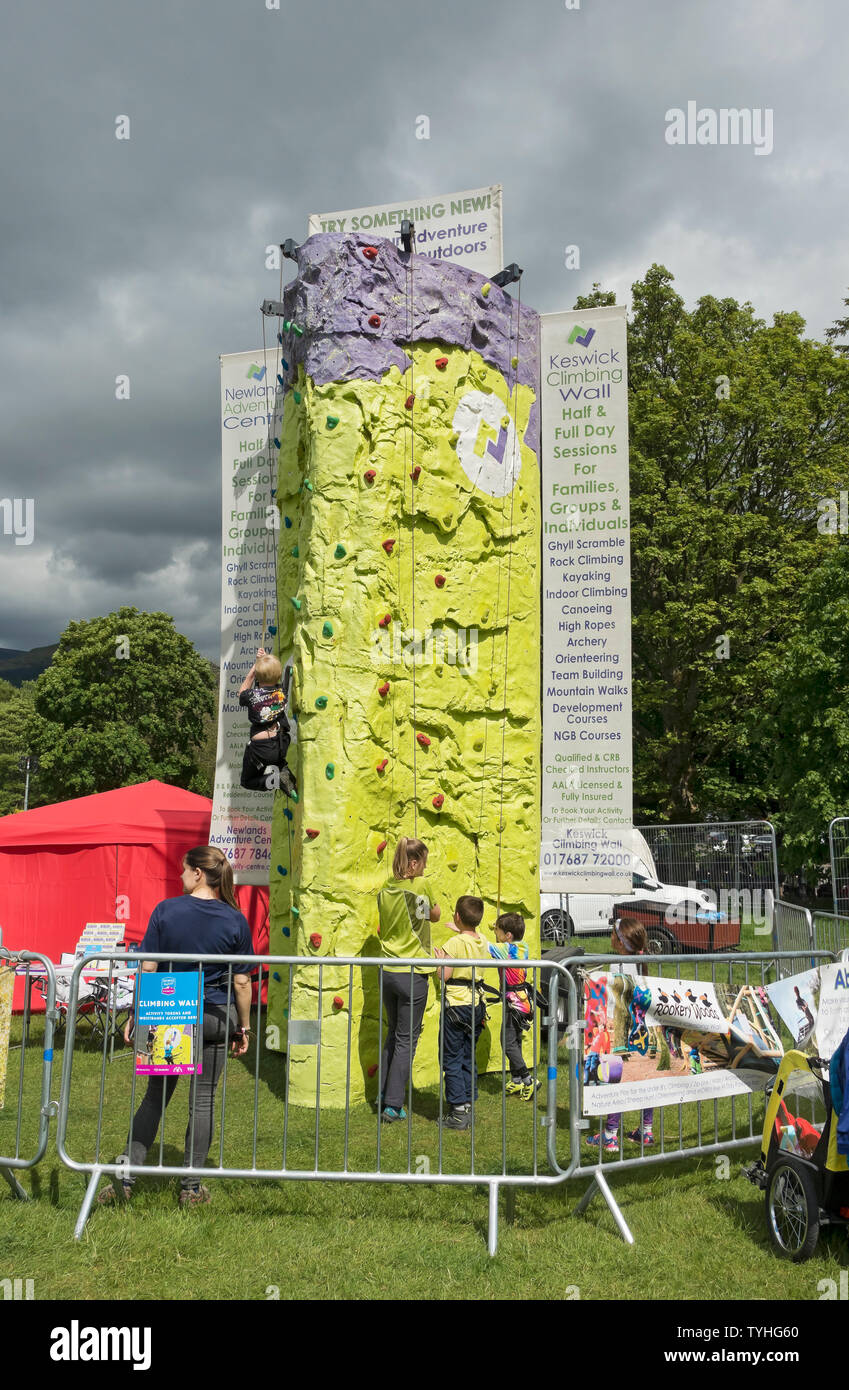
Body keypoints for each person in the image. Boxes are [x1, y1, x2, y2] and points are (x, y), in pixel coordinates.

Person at [97, 846, 254, 1207]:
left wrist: (138, 1012)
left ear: (199, 873)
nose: (180, 875)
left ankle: (124, 1179)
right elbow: (242, 982)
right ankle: (191, 1188)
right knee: (203, 1101)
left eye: (184, 870)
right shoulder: (235, 920)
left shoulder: (166, 911)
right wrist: (243, 1027)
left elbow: (148, 968)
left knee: (155, 1098)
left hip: (169, 1010)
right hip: (217, 1013)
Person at [376, 837, 441, 1123]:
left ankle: (383, 1094)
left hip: (387, 970)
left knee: (393, 1034)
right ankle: (393, 1104)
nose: (425, 868)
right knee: (406, 1039)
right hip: (412, 972)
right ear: (414, 863)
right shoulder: (420, 886)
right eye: (424, 863)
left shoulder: (385, 889)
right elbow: (435, 915)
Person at [586, 915, 654, 1154]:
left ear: (620, 940)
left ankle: (610, 1136)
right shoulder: (640, 961)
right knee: (645, 1079)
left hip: (621, 1032)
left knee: (616, 1081)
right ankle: (646, 1131)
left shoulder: (619, 965)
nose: (610, 936)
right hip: (642, 1032)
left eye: (613, 933)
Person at [437, 896, 490, 1131]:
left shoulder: (454, 944)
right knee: (469, 1055)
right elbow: (468, 939)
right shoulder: (483, 941)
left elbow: (444, 976)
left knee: (451, 1057)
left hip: (456, 1005)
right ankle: (467, 1103)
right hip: (476, 1004)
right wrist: (460, 930)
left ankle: (457, 1110)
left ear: (457, 916)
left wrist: (440, 961)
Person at [487, 912, 540, 1100]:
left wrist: (468, 932)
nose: (496, 933)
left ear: (508, 935)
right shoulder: (522, 947)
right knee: (515, 1040)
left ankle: (527, 1079)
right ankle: (516, 1079)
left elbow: (483, 947)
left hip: (514, 1002)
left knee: (507, 1042)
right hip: (522, 1000)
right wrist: (495, 928)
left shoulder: (506, 950)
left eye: (498, 931)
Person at [238, 647, 296, 794]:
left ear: (257, 676)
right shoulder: (282, 693)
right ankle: (289, 784)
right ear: (278, 677)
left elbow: (242, 692)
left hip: (260, 749)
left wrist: (254, 668)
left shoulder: (252, 696)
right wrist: (263, 661)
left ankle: (276, 780)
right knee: (279, 762)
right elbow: (271, 684)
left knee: (247, 781)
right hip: (281, 744)